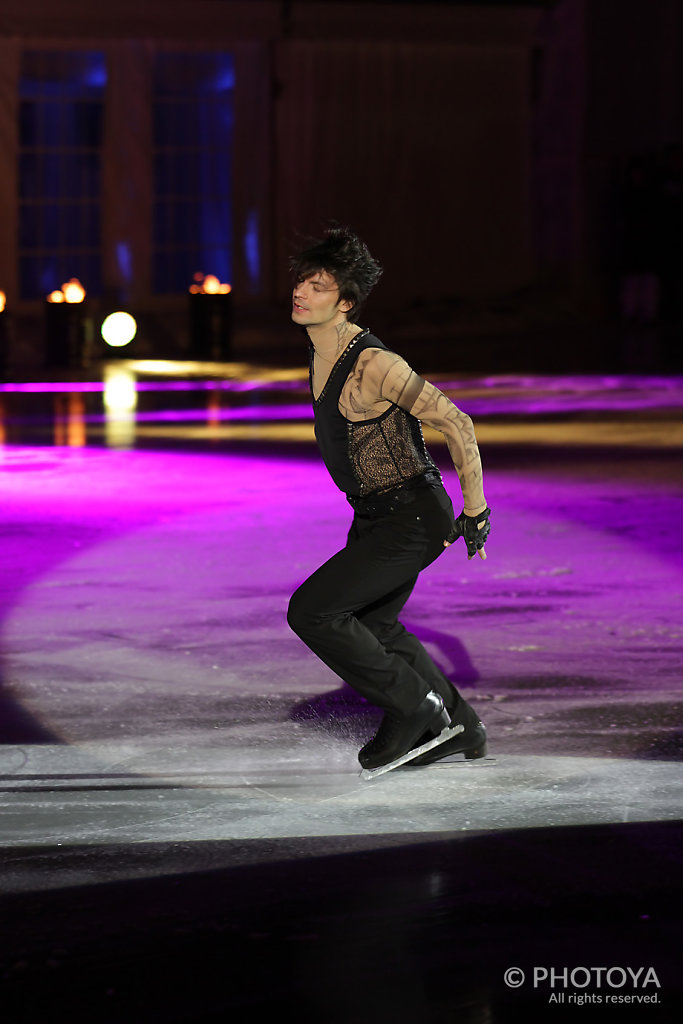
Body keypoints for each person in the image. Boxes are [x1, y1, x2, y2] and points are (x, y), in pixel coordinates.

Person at [286, 225, 491, 775]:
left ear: (346, 302)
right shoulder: (319, 354)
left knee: (313, 610)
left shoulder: (374, 364)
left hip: (414, 517)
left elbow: (456, 421)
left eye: (320, 286)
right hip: (376, 516)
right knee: (376, 625)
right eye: (302, 281)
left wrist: (476, 509)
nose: (302, 292)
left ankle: (412, 707)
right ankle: (461, 725)